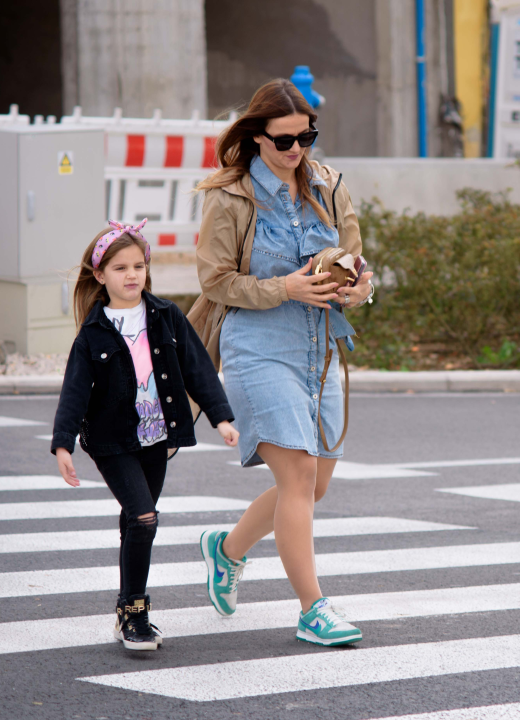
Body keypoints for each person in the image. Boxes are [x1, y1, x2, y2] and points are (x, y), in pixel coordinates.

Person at [192, 79, 374, 646]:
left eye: (306, 137)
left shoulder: (329, 185)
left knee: (314, 484)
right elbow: (215, 281)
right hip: (257, 348)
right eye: (285, 140)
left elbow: (357, 263)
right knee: (295, 474)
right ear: (257, 137)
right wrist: (285, 288)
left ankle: (225, 550)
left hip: (320, 349)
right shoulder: (230, 197)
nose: (298, 150)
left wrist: (358, 288)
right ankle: (312, 608)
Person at [51, 219, 240, 651]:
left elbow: (198, 369)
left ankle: (124, 609)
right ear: (100, 275)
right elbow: (75, 391)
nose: (132, 275)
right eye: (120, 268)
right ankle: (135, 613)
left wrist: (221, 418)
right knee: (144, 518)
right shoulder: (94, 332)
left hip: (158, 439)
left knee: (135, 521)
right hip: (111, 442)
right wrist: (63, 442)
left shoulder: (166, 315)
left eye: (138, 265)